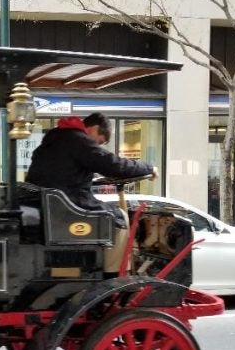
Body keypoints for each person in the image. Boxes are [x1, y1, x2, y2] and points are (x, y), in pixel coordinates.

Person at [25, 112, 157, 276]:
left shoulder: (55, 139)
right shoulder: (77, 140)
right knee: (120, 218)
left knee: (111, 214)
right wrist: (149, 168)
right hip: (68, 204)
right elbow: (114, 165)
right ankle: (116, 274)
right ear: (94, 129)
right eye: (99, 142)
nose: (97, 145)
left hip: (52, 203)